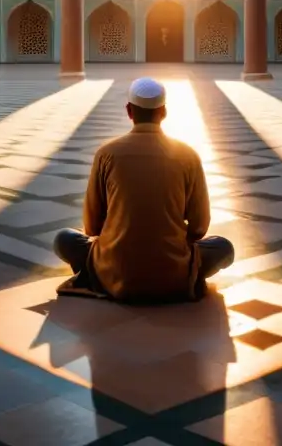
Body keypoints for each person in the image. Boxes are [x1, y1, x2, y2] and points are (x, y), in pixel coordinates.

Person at [53, 77, 235, 303]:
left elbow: (91, 227)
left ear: (129, 111)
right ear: (164, 112)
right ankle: (181, 274)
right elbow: (199, 227)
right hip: (174, 273)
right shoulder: (188, 155)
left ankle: (101, 272)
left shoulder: (106, 153)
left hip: (112, 270)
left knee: (64, 239)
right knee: (223, 248)